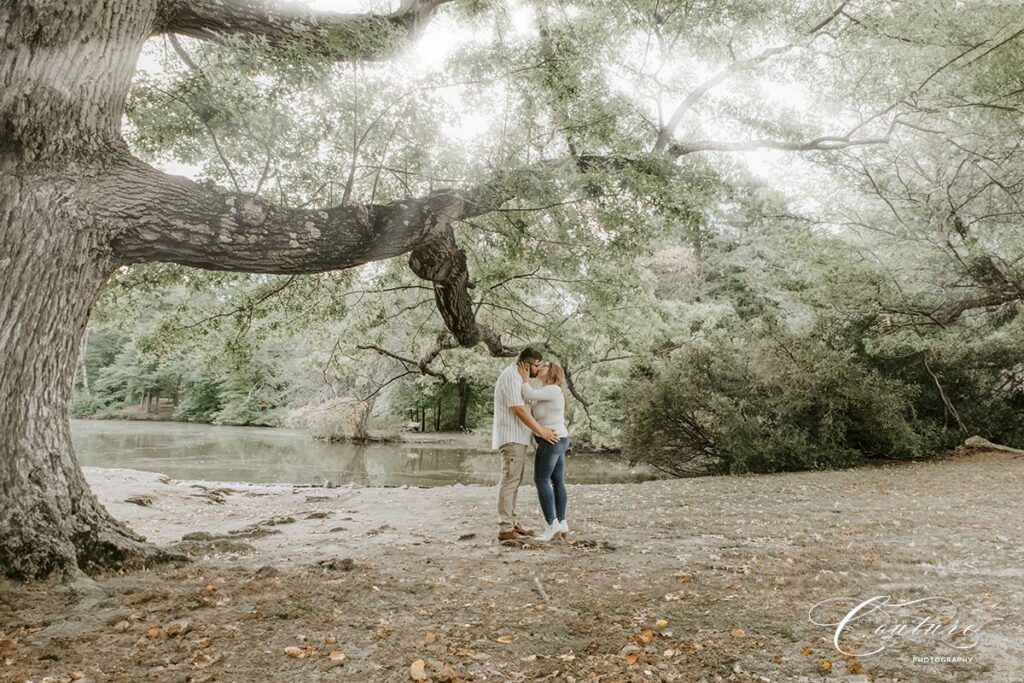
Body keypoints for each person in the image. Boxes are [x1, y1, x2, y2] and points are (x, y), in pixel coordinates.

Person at [492, 347, 559, 542]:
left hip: (519, 438)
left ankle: (512, 523)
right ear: (526, 364)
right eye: (537, 365)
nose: (538, 369)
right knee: (509, 481)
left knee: (514, 481)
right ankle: (505, 528)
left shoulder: (518, 377)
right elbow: (519, 410)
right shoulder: (511, 377)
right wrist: (542, 431)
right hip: (511, 437)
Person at [521, 361, 571, 542]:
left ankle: (552, 525)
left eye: (543, 365)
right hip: (558, 439)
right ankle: (561, 522)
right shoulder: (549, 391)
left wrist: (524, 376)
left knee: (541, 480)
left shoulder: (553, 389)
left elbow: (528, 394)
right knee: (557, 481)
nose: (538, 367)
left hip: (552, 440)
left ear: (551, 371)